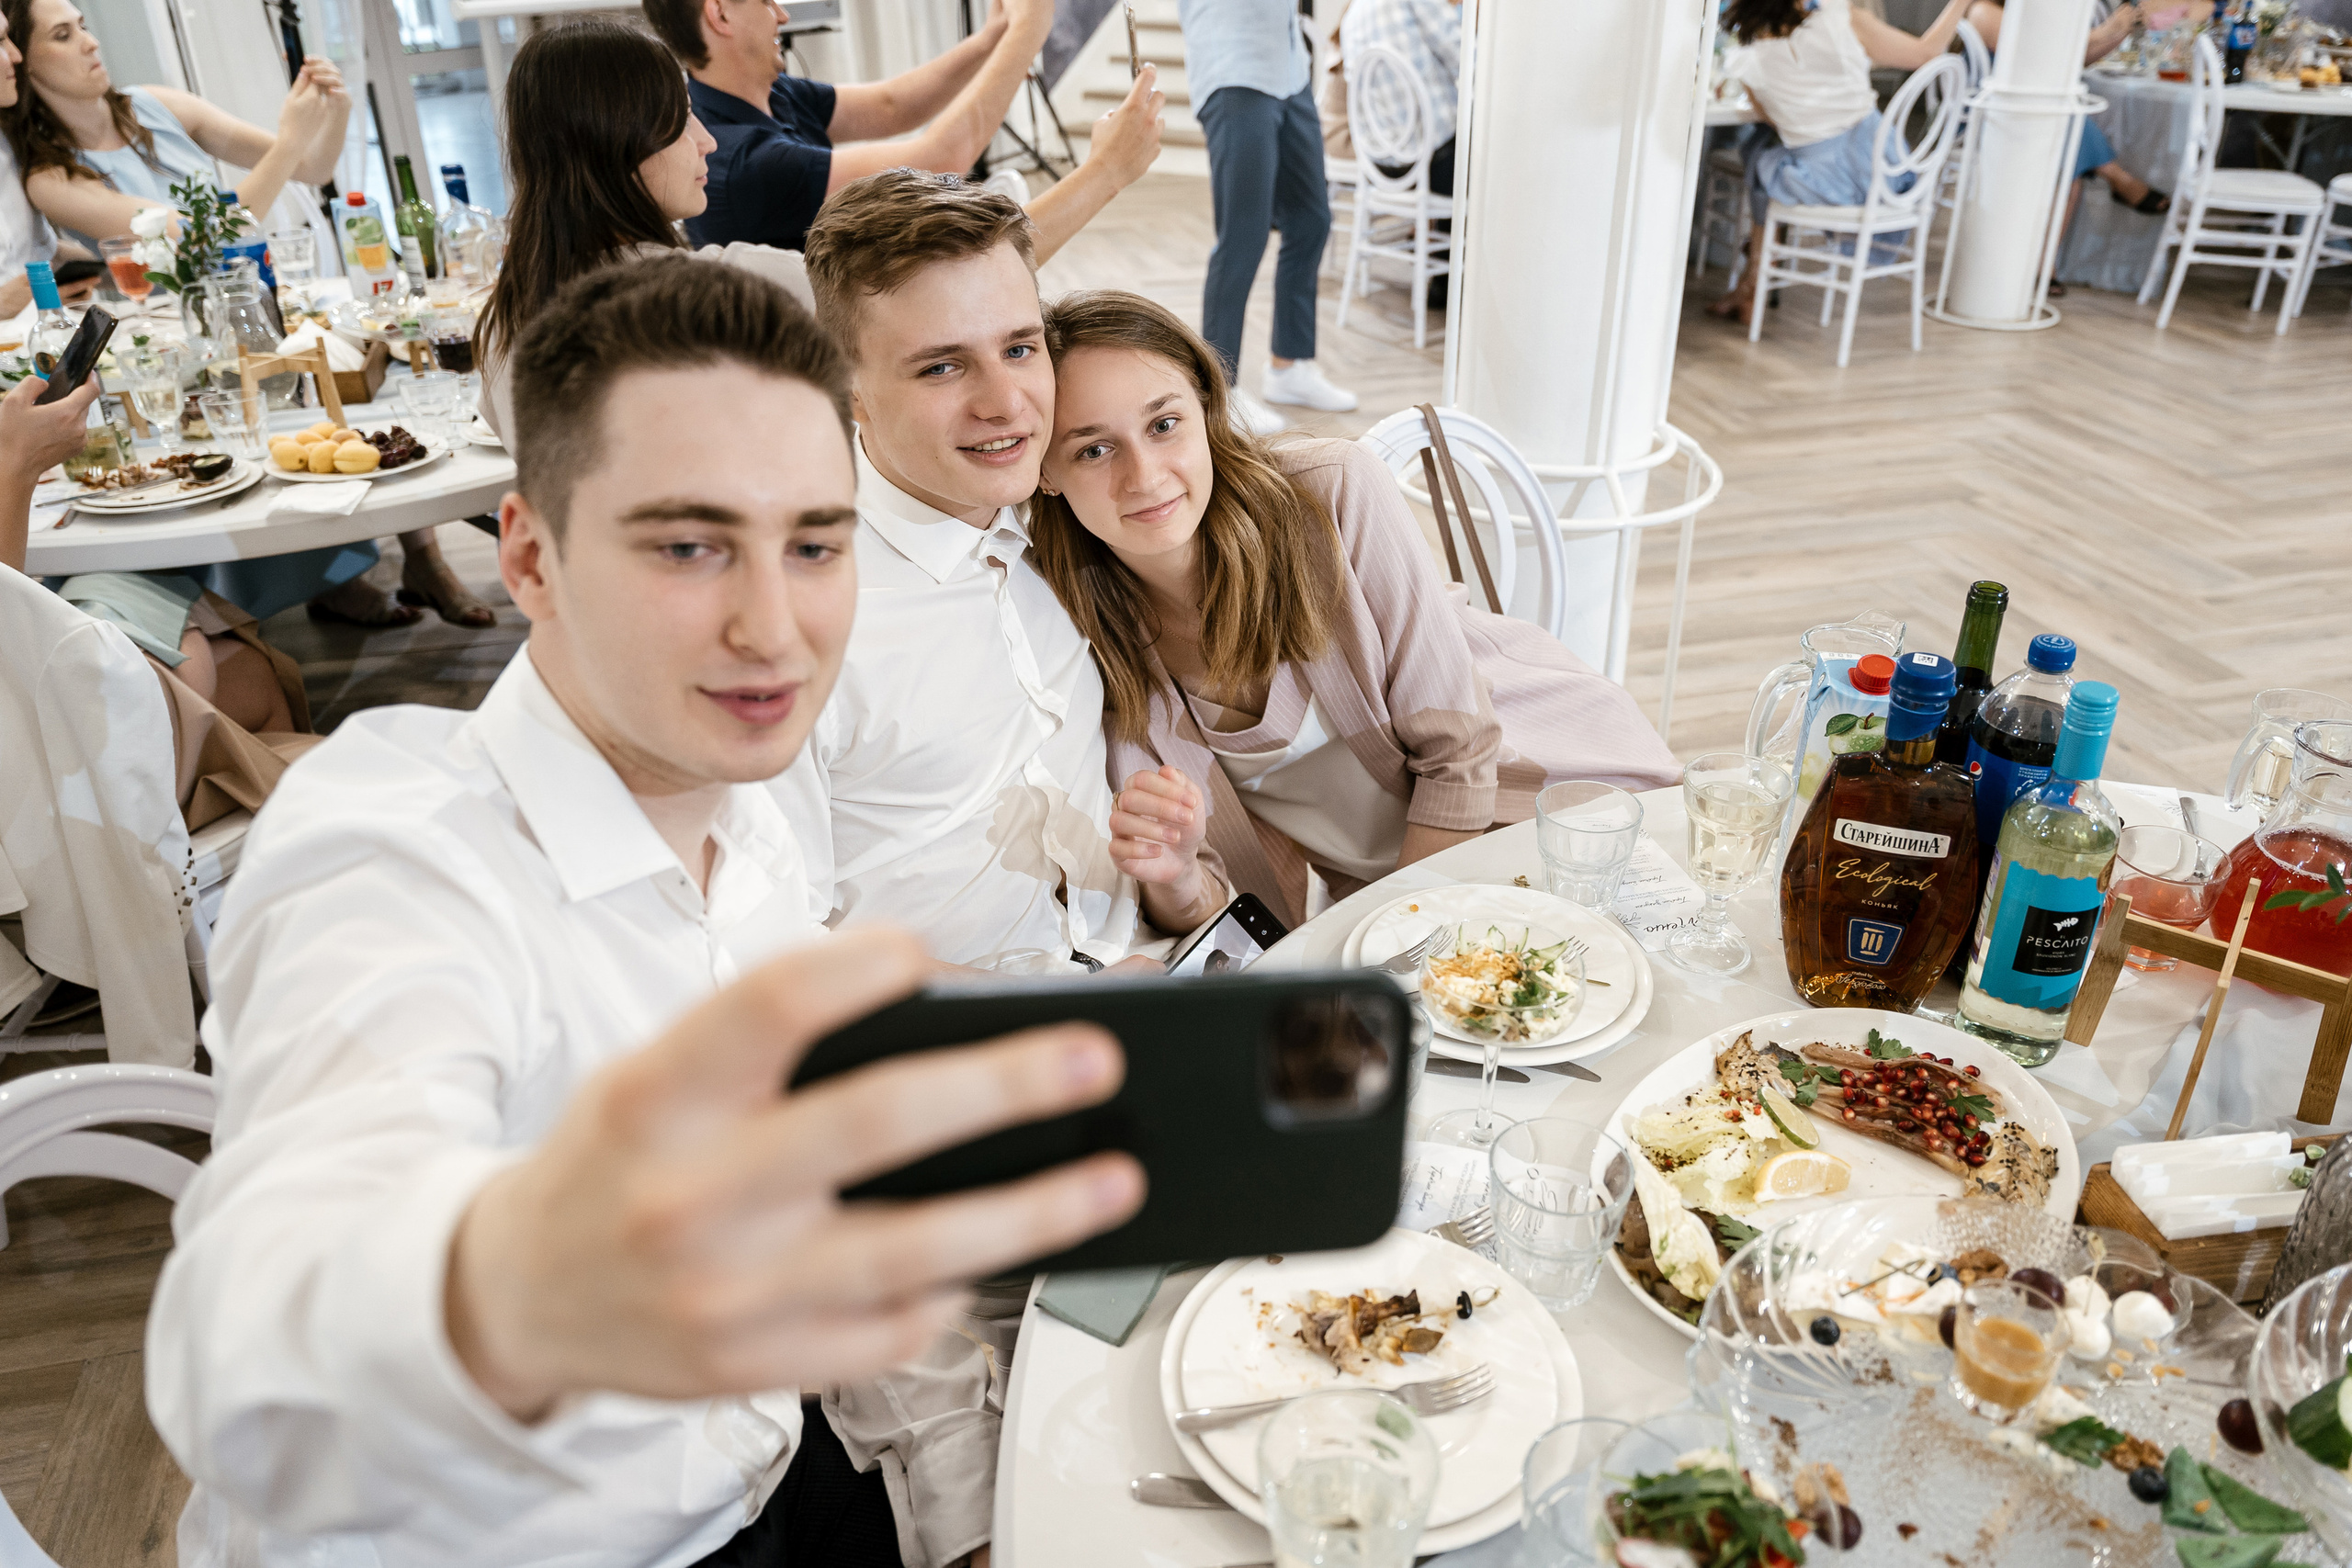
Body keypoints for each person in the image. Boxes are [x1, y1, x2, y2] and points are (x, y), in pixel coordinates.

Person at [145, 256, 1144, 1568]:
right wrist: (503, 1290)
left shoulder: (756, 819)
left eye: (814, 543)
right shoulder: (394, 849)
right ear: (529, 556)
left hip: (765, 1464)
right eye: (687, 544)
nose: (773, 627)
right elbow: (254, 1346)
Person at [1024, 290, 1681, 924]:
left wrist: (1396, 944)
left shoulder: (1330, 492)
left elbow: (1461, 752)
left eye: (1164, 424)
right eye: (1094, 449)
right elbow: (1213, 895)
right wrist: (1174, 876)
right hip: (1395, 888)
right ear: (1045, 471)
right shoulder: (1078, 634)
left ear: (1206, 411)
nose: (1144, 475)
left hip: (1552, 804)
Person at [776, 170, 1224, 971]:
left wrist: (1179, 880)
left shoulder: (1069, 505)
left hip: (1162, 966)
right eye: (942, 367)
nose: (1006, 403)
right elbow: (774, 951)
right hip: (966, 1057)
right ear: (847, 389)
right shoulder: (792, 624)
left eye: (1020, 348)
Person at [3, 0, 487, 629]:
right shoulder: (51, 177)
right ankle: (328, 580)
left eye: (86, 27)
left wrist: (331, 112)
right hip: (184, 330)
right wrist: (290, 138)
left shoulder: (154, 104)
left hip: (256, 295)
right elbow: (203, 241)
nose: (90, 45)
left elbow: (311, 166)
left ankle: (422, 555)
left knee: (362, 378)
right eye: (63, 36)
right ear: (30, 63)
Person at [474, 17, 1163, 442]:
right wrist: (1107, 169)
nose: (705, 141)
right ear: (619, 140)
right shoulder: (707, 291)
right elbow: (958, 283)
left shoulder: (506, 316)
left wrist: (994, 40)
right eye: (678, 119)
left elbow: (899, 104)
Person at [639, 0, 1159, 258]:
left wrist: (995, 37)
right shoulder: (743, 161)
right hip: (829, 362)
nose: (781, 15)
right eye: (764, 1)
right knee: (983, 250)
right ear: (720, 13)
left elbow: (894, 106)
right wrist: (1028, 34)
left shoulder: (770, 94)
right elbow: (941, 158)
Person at [1708, 0, 1975, 326]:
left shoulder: (1745, 62)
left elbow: (1777, 122)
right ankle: (1755, 280)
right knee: (1761, 152)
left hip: (1828, 180)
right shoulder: (1843, 19)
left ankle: (1754, 278)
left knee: (1760, 153)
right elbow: (1927, 54)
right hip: (1885, 172)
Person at [1180, 0, 1358, 424]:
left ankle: (1290, 365)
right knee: (1243, 235)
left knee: (1311, 220)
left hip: (1289, 70)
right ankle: (1222, 392)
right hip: (1233, 68)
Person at [1965, 0, 2171, 296]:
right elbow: (2036, 49)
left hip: (2031, 113)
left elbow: (2072, 60)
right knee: (2066, 120)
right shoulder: (1983, 10)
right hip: (1986, 114)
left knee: (2066, 156)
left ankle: (2043, 266)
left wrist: (2119, 33)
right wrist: (2103, 32)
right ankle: (2115, 177)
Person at [0, 4, 94, 316]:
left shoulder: (14, 146)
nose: (16, 55)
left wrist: (111, 263)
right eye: (0, 42)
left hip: (50, 344)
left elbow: (40, 253)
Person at [1339, 0, 1462, 197]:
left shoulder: (1351, 15)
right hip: (1436, 163)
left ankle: (1437, 225)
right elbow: (1464, 55)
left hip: (1381, 167)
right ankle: (1451, 225)